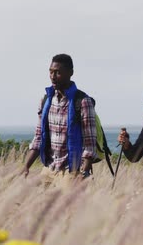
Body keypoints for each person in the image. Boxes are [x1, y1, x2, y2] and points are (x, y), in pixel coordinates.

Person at [23, 53, 97, 183]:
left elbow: (89, 145)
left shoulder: (83, 102)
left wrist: (83, 173)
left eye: (58, 73)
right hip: (49, 169)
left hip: (71, 172)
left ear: (70, 73)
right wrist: (26, 166)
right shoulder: (46, 100)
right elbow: (38, 138)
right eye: (51, 72)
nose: (53, 77)